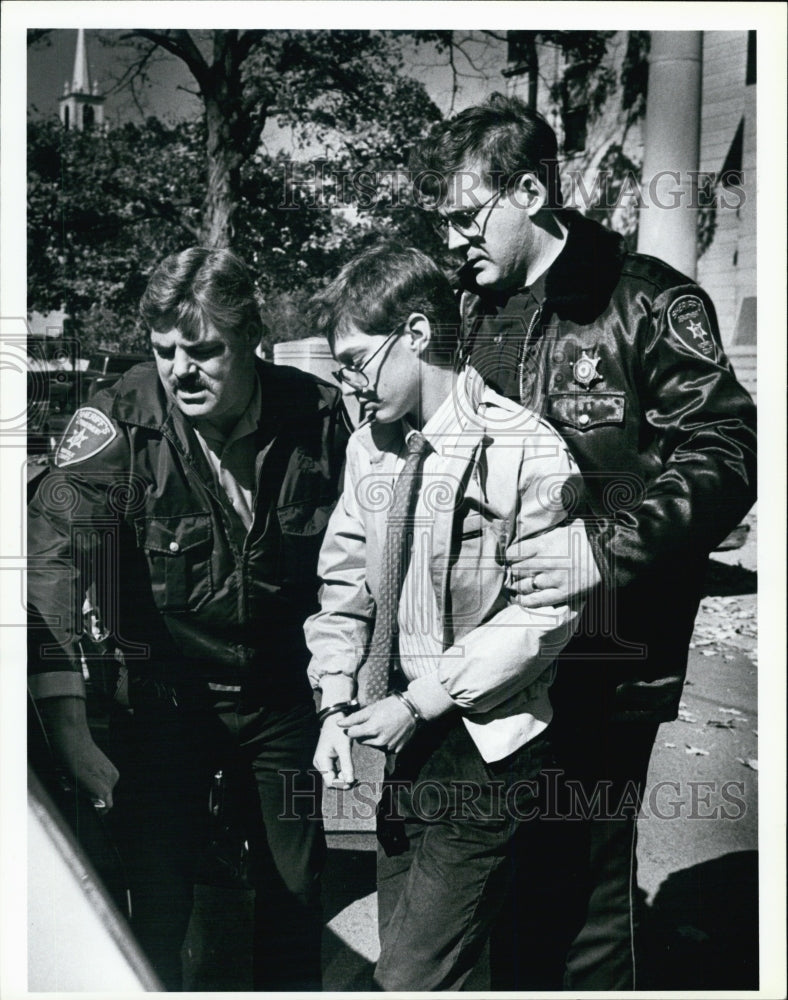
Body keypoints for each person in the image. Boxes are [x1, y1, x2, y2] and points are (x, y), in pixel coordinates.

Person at [410, 94, 758, 989]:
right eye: (441, 220)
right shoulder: (460, 315)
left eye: (465, 214)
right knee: (479, 891)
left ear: (528, 191)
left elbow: (726, 452)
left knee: (582, 902)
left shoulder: (645, 302)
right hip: (474, 663)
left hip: (605, 662)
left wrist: (600, 548)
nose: (453, 239)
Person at [27, 247, 348, 991]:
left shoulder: (317, 414)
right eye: (165, 351)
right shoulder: (116, 418)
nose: (182, 371)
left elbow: (358, 560)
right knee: (156, 903)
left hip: (280, 696)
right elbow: (51, 555)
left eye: (204, 350)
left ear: (253, 342)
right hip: (164, 697)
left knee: (295, 893)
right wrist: (69, 723)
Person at [304, 242, 584, 990]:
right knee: (427, 955)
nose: (349, 385)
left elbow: (549, 610)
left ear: (418, 335)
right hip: (407, 745)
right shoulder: (372, 447)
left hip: (484, 744)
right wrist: (334, 704)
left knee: (413, 973)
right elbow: (344, 587)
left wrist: (421, 700)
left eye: (357, 361)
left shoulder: (522, 446)